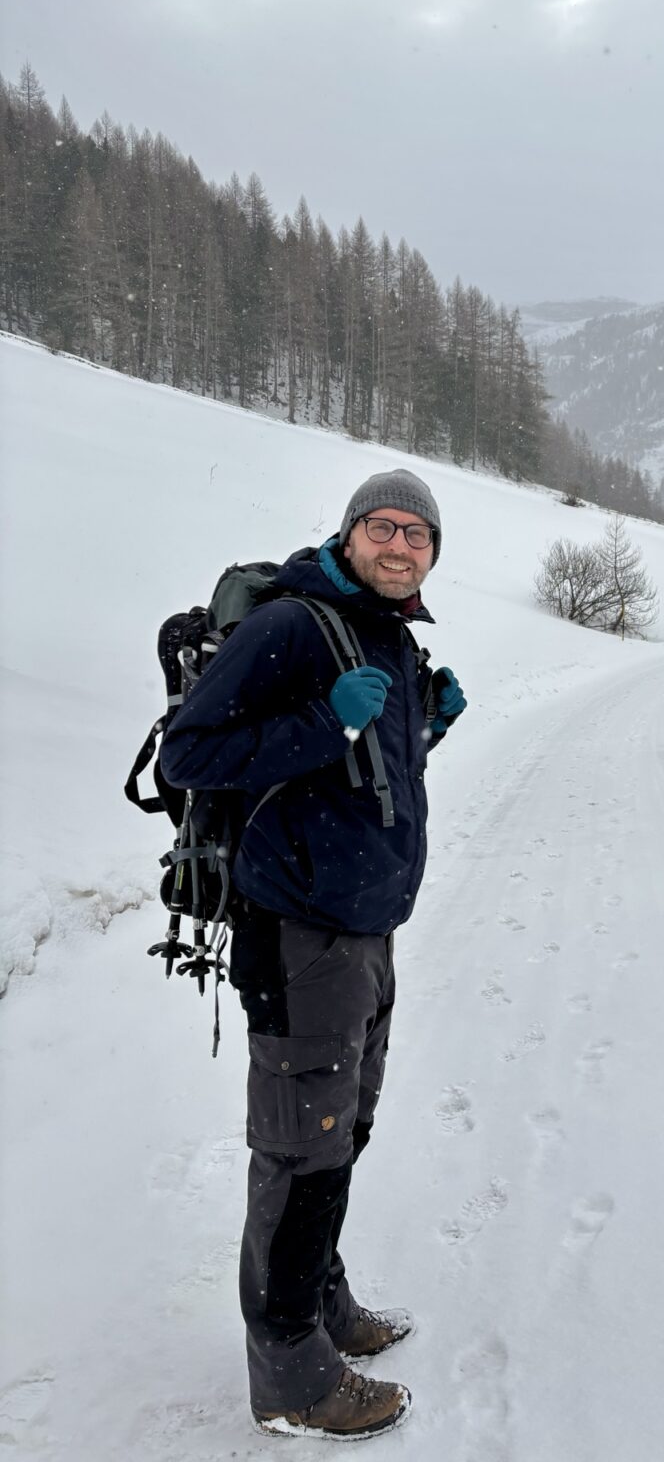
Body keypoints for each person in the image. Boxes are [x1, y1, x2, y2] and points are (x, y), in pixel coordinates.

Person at [160, 468, 466, 1441]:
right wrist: (323, 718)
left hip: (366, 933)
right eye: (385, 526)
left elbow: (363, 776)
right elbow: (189, 754)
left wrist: (427, 722)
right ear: (350, 533)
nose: (401, 545)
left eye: (419, 535)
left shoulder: (386, 635)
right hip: (297, 934)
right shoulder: (293, 625)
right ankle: (289, 1367)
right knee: (300, 1148)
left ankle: (323, 1298)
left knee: (342, 1132)